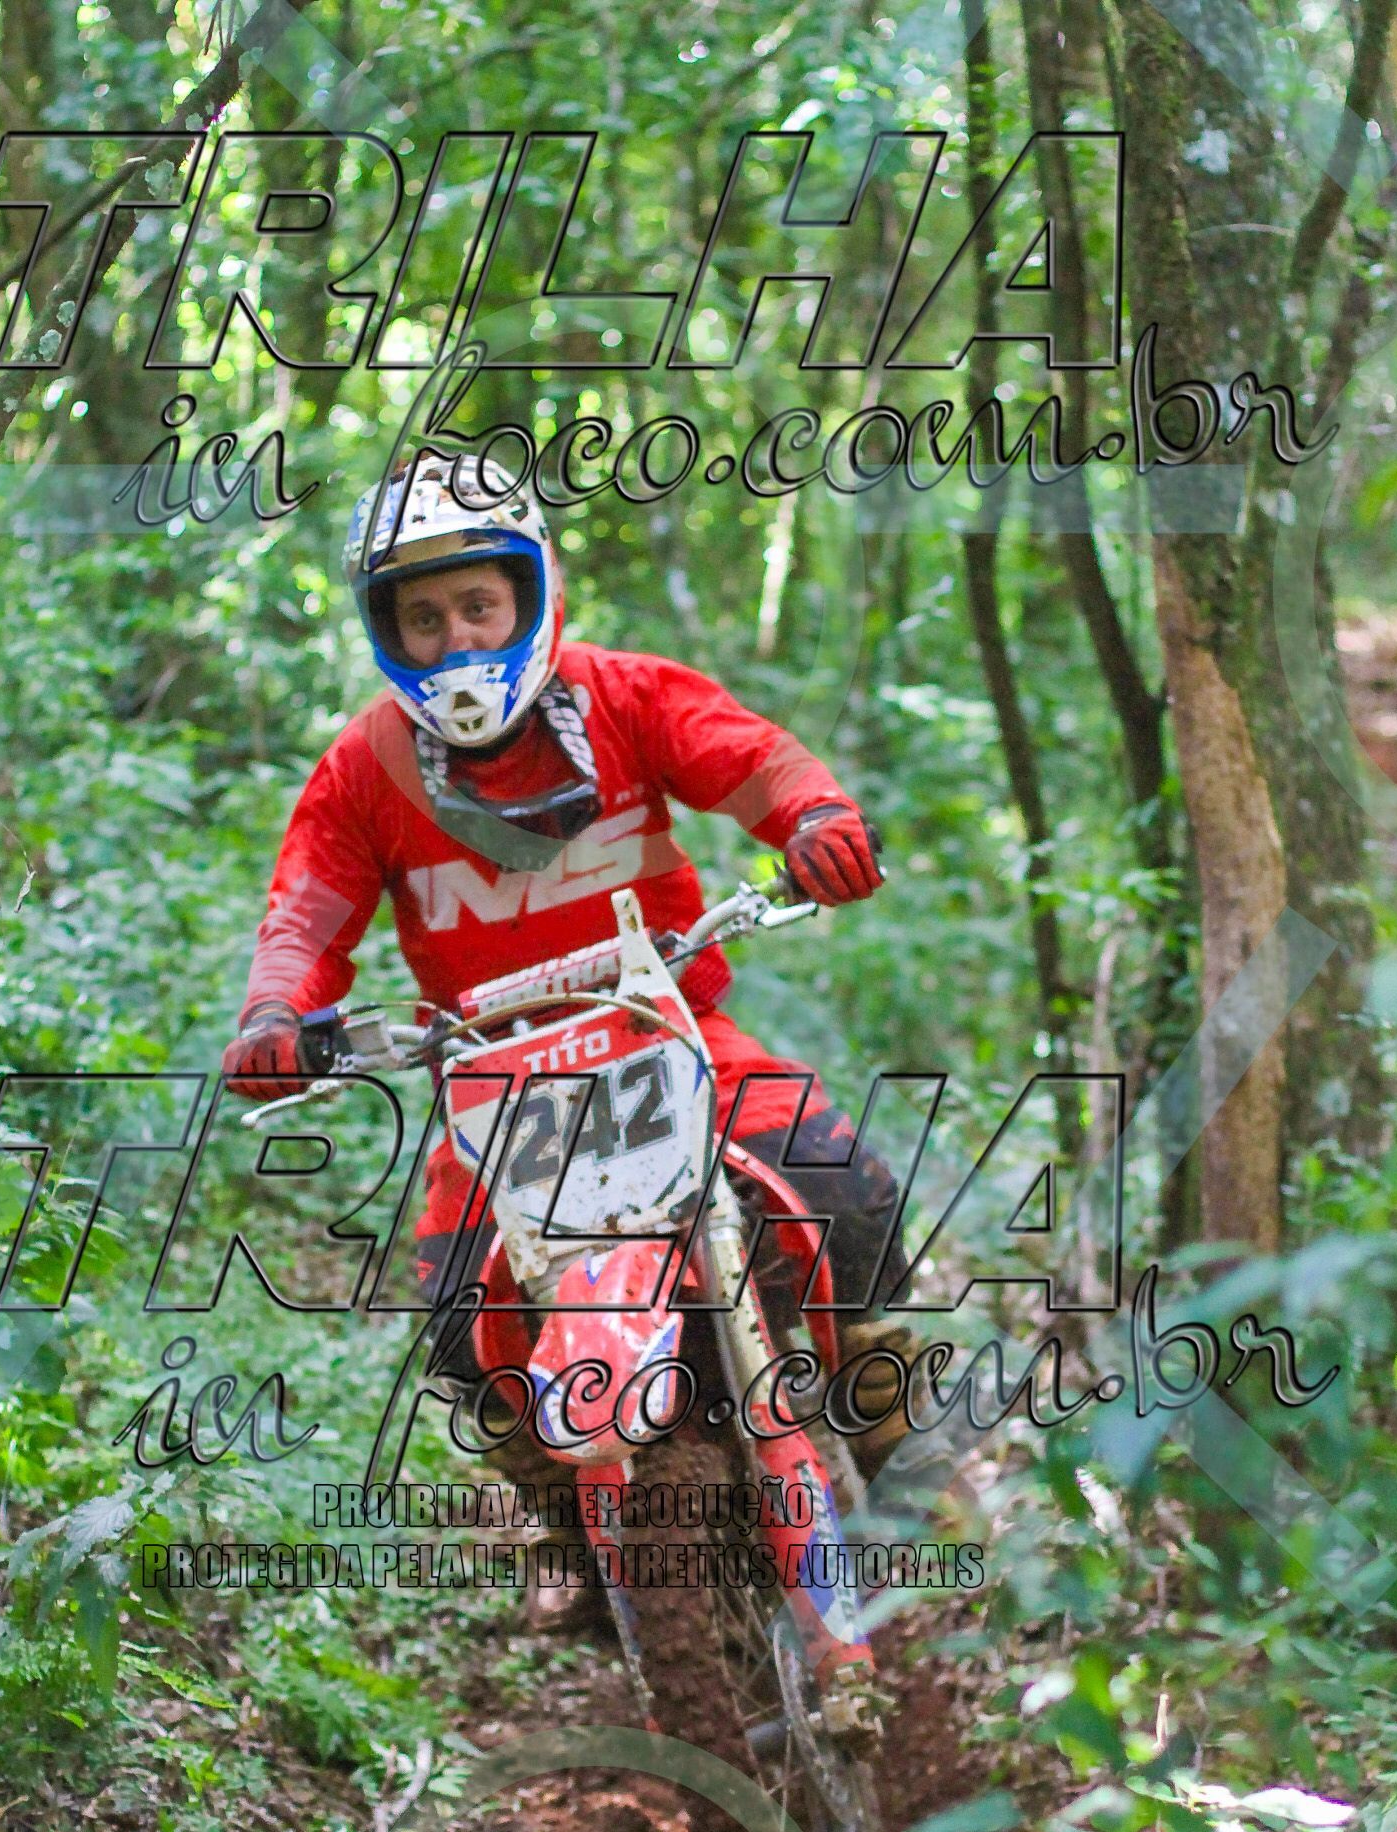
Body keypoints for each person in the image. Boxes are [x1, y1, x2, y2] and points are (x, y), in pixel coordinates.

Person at [222, 453, 911, 1609]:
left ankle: (897, 1452)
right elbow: (305, 912)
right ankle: (574, 1538)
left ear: (530, 592)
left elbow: (752, 758)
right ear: (387, 630)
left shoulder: (625, 696)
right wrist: (275, 1013)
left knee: (844, 1193)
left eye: (477, 605)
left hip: (667, 1036)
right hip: (498, 1087)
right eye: (424, 617)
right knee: (459, 1319)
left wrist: (817, 820)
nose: (455, 638)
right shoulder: (364, 769)